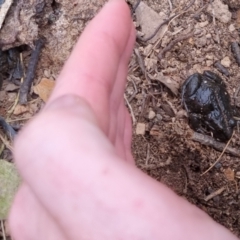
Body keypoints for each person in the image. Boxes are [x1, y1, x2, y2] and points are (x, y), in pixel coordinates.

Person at [9, 0, 238, 239]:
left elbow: (203, 110)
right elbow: (198, 113)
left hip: (210, 96)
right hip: (203, 90)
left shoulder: (225, 120)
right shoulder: (221, 119)